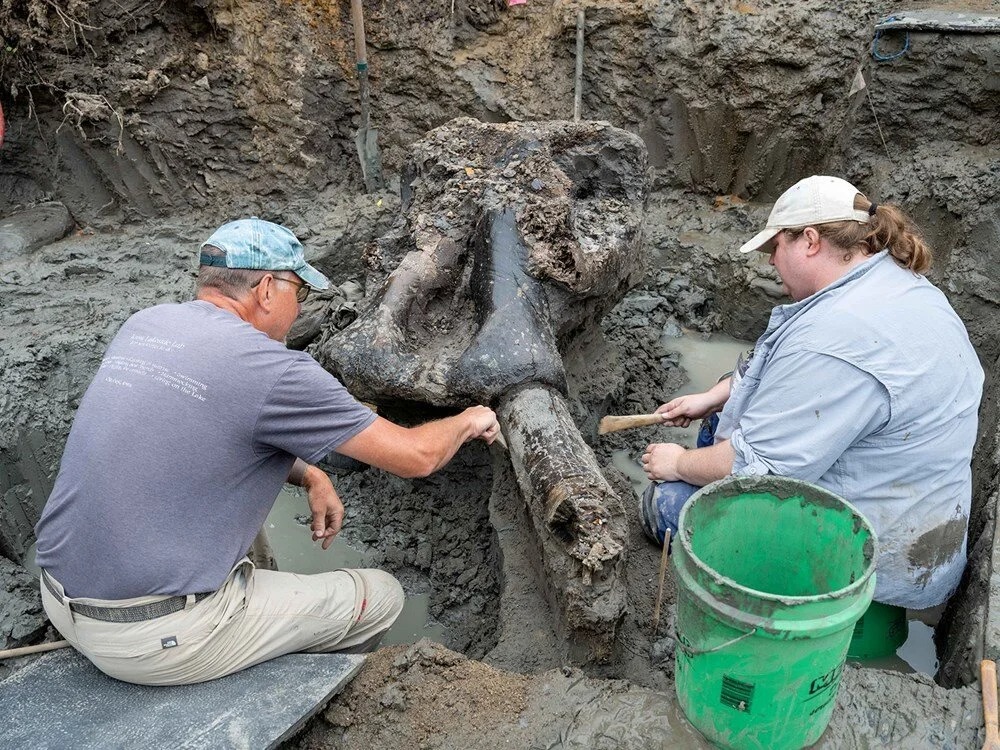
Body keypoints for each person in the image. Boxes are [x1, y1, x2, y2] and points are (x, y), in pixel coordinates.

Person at [33, 218, 501, 686]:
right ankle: (281, 686)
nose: (299, 308)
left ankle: (249, 626)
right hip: (152, 639)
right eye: (299, 291)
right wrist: (469, 418)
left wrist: (312, 475)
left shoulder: (147, 324)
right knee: (380, 596)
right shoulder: (276, 371)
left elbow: (206, 432)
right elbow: (415, 457)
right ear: (266, 289)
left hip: (60, 597)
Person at [639, 175, 983, 611]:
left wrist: (679, 462)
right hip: (918, 534)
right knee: (717, 422)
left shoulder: (835, 339)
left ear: (810, 240)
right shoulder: (898, 286)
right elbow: (785, 374)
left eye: (774, 249)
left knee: (665, 503)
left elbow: (754, 471)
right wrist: (716, 395)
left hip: (868, 571)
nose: (770, 264)